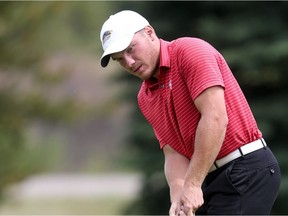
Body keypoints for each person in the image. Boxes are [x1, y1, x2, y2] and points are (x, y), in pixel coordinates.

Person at [99, 10, 281, 215]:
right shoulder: (146, 96)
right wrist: (178, 200)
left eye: (131, 49)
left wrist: (192, 185)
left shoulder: (190, 52)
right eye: (119, 59)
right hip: (207, 177)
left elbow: (215, 118)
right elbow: (174, 153)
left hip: (245, 168)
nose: (129, 62)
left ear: (150, 33)